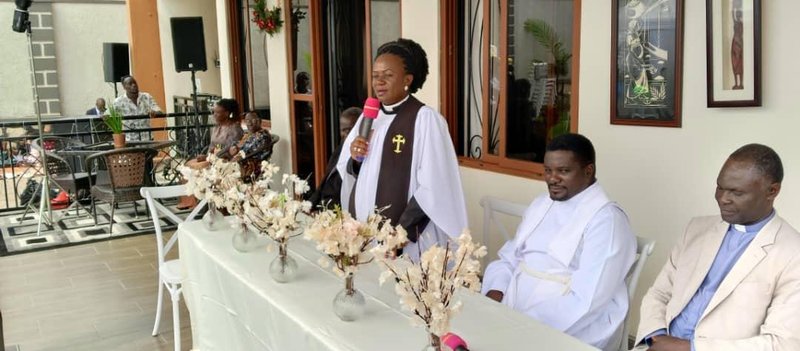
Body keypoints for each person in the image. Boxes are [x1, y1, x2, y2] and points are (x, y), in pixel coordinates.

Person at [635, 144, 800, 351]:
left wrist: (688, 348)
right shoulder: (696, 229)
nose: (723, 199)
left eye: (736, 192)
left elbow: (781, 343)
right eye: (720, 187)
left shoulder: (793, 253)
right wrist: (656, 337)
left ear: (772, 191)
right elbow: (658, 294)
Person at [481, 133, 636, 351]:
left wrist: (522, 325)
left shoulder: (606, 220)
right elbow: (510, 257)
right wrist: (495, 293)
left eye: (563, 171)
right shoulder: (542, 204)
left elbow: (587, 300)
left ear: (588, 171)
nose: (552, 178)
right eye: (548, 170)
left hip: (570, 325)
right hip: (514, 307)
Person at [336, 38, 468, 262]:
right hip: (366, 234)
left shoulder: (425, 120)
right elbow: (353, 171)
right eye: (376, 75)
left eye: (388, 75)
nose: (379, 81)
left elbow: (433, 187)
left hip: (405, 240)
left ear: (408, 79)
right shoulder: (369, 117)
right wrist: (356, 158)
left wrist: (400, 236)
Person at [178, 98, 244, 209]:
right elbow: (212, 145)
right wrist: (206, 155)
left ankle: (199, 204)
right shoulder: (217, 127)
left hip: (226, 162)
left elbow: (230, 150)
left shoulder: (234, 128)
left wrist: (209, 158)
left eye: (217, 112)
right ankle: (191, 201)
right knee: (187, 167)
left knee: (197, 170)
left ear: (227, 113)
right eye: (214, 111)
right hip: (213, 158)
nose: (214, 115)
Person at [309, 106, 362, 208]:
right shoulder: (340, 149)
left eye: (351, 130)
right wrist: (309, 204)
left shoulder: (362, 156)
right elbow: (325, 181)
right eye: (344, 130)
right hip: (323, 207)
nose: (347, 134)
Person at [112, 76, 162, 141]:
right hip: (130, 141)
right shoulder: (118, 101)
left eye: (134, 82)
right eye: (130, 83)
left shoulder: (146, 97)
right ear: (124, 87)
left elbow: (159, 111)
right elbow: (108, 114)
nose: (134, 85)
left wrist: (154, 112)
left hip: (147, 138)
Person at [231, 112, 273, 181]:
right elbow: (239, 144)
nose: (249, 123)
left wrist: (237, 149)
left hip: (250, 168)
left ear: (259, 121)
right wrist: (234, 147)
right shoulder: (251, 134)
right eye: (247, 120)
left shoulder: (262, 136)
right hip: (240, 163)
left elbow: (246, 151)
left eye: (253, 120)